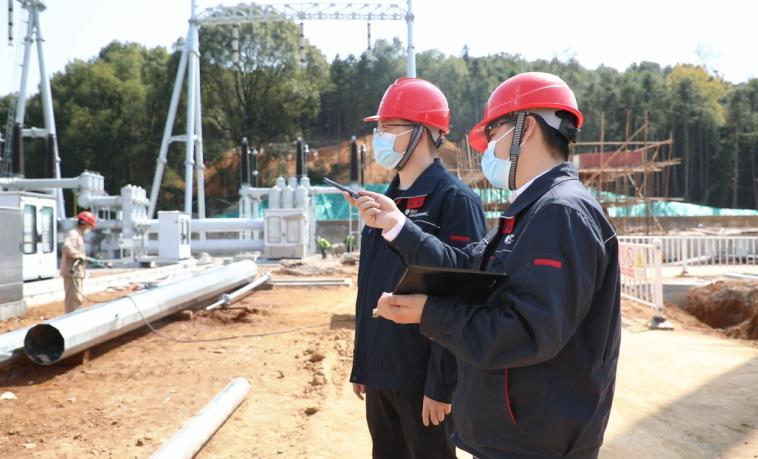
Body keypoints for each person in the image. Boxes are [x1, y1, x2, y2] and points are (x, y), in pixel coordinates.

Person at [348, 72, 621, 459]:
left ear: (525, 129)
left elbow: (527, 331)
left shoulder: (560, 213)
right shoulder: (530, 212)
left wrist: (431, 314)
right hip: (516, 435)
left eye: (493, 133)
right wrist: (397, 226)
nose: (487, 147)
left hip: (536, 441)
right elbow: (463, 269)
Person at [351, 77, 486, 459]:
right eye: (379, 128)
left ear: (423, 132)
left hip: (423, 377)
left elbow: (461, 293)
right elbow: (370, 285)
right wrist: (364, 362)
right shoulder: (386, 200)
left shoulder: (455, 200)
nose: (380, 137)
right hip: (381, 371)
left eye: (390, 127)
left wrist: (442, 385)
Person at [60, 211, 96, 313]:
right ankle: (71, 319)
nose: (89, 228)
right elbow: (66, 247)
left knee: (78, 298)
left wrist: (83, 257)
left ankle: (76, 317)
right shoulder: (73, 233)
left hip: (77, 272)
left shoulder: (78, 234)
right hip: (72, 272)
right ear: (84, 223)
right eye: (89, 225)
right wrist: (79, 256)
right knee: (73, 298)